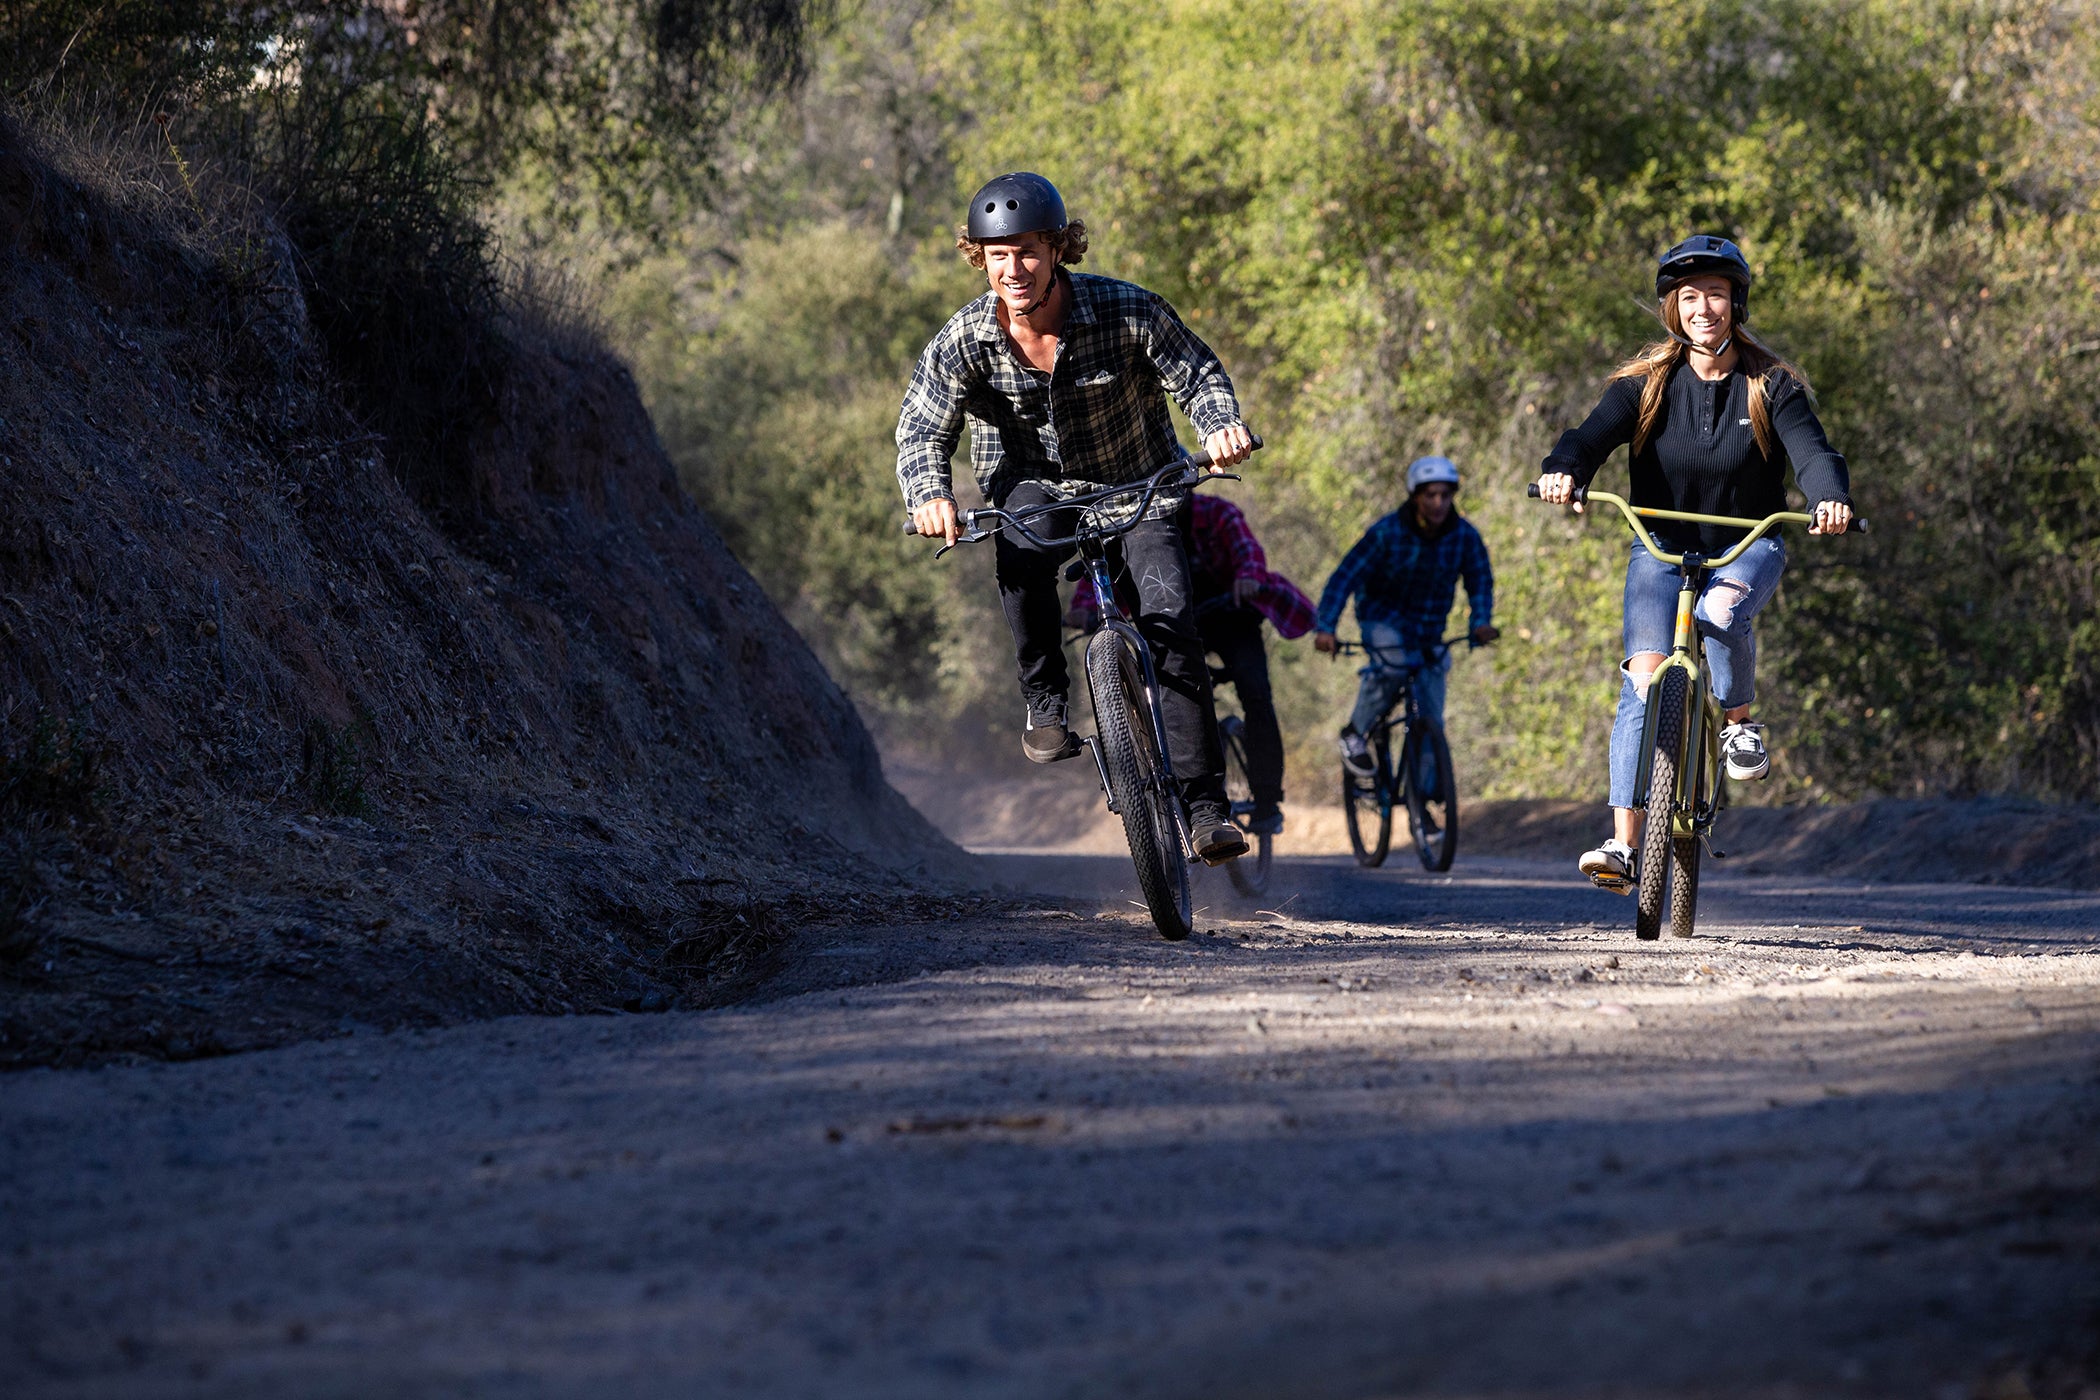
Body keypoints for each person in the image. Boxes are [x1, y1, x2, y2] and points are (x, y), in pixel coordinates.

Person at [896, 172, 1256, 864]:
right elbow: (920, 429)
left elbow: (1199, 376)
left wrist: (1222, 427)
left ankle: (1207, 807)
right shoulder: (965, 339)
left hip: (1140, 482)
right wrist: (929, 495)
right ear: (979, 258)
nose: (1014, 269)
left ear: (1059, 248)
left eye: (1027, 251)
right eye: (997, 255)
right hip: (1033, 487)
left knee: (1170, 620)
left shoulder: (1126, 310)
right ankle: (1046, 701)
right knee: (1021, 548)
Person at [1535, 234, 1852, 891]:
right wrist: (1563, 471)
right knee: (1642, 680)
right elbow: (1587, 437)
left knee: (1721, 610)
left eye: (1714, 294)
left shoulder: (1772, 385)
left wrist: (1830, 498)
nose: (1702, 308)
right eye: (1688, 297)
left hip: (1747, 544)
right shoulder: (1643, 387)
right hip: (1659, 547)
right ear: (1671, 309)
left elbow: (1813, 452)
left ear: (1736, 302)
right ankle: (1623, 845)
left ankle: (1738, 725)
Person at [1067, 493, 1315, 834]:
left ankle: (1268, 801)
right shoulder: (1132, 521)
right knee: (1165, 695)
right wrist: (1082, 605)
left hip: (1231, 619)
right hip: (1174, 626)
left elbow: (1248, 554)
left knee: (1256, 694)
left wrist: (1248, 577)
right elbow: (1104, 567)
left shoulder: (1218, 513)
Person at [1312, 456, 1497, 781]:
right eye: (1430, 495)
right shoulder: (1387, 532)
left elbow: (1479, 580)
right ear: (1415, 496)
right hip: (1381, 620)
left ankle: (1422, 803)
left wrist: (1480, 622)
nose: (1439, 503)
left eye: (1445, 495)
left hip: (1429, 632)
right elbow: (1344, 578)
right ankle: (1355, 732)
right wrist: (1326, 627)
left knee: (1431, 718)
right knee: (1393, 663)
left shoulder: (1465, 536)